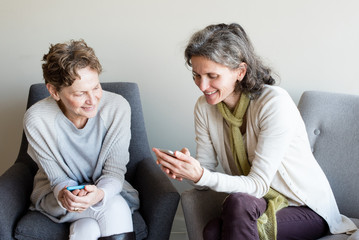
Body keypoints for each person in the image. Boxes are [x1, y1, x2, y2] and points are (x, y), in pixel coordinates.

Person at [153, 23, 358, 239]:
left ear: (240, 71)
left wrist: (201, 175)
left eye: (212, 76)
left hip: (306, 208)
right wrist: (188, 170)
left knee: (236, 204)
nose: (203, 86)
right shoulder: (204, 108)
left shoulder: (273, 104)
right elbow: (205, 177)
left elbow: (258, 185)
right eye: (196, 75)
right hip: (258, 204)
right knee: (214, 228)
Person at [24, 39, 138, 240]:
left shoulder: (117, 107)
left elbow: (114, 172)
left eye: (96, 87)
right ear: (54, 91)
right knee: (115, 207)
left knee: (88, 228)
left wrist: (99, 194)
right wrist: (69, 194)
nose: (93, 100)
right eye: (80, 93)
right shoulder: (37, 119)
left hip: (107, 189)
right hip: (58, 196)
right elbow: (57, 178)